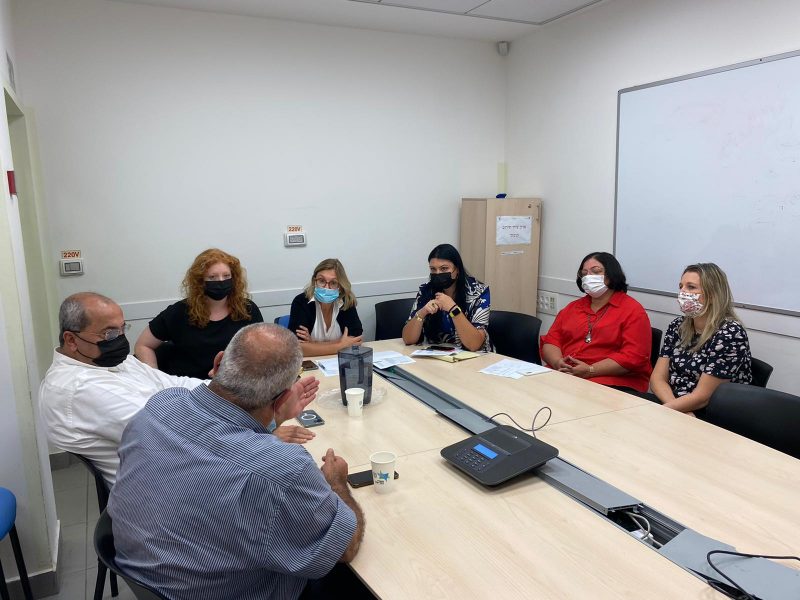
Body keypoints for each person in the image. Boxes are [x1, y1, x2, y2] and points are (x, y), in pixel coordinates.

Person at [109, 324, 365, 600]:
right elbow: (344, 548)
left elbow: (225, 445)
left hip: (147, 577)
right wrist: (336, 482)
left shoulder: (161, 405)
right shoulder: (284, 469)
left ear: (218, 363)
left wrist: (275, 417)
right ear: (282, 399)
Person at [39, 292, 315, 485]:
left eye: (123, 329)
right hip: (164, 489)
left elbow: (174, 384)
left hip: (179, 464)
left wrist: (233, 386)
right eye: (110, 333)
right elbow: (176, 431)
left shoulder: (107, 362)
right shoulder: (77, 390)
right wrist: (267, 427)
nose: (121, 339)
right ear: (71, 340)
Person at [135, 248, 263, 378]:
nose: (220, 281)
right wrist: (157, 379)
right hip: (186, 383)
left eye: (226, 276)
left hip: (230, 383)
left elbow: (261, 351)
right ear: (200, 281)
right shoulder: (180, 312)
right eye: (212, 277)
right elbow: (143, 345)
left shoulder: (247, 309)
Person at [540, 252, 652, 393]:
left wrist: (590, 370)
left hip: (610, 380)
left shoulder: (633, 311)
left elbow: (633, 357)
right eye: (584, 273)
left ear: (611, 274)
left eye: (596, 271)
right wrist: (557, 362)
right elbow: (551, 341)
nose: (588, 277)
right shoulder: (572, 308)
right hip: (566, 374)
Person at [650, 263, 752, 414]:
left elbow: (703, 397)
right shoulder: (678, 325)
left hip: (709, 413)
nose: (682, 292)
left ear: (712, 295)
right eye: (681, 287)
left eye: (691, 287)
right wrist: (674, 409)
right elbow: (657, 379)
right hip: (675, 405)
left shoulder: (730, 333)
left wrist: (665, 412)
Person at [402, 243, 491, 352]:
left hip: (474, 357)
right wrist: (422, 312)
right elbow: (408, 339)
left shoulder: (478, 292)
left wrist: (453, 309)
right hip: (436, 354)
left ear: (457, 269)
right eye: (433, 269)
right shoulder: (426, 290)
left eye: (444, 268)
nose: (438, 273)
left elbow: (474, 345)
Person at [288, 258, 363, 356]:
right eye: (321, 281)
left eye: (333, 283)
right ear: (314, 281)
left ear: (340, 286)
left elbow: (356, 339)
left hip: (340, 360)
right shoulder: (301, 302)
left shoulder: (346, 302)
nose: (326, 287)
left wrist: (314, 344)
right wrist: (340, 345)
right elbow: (296, 348)